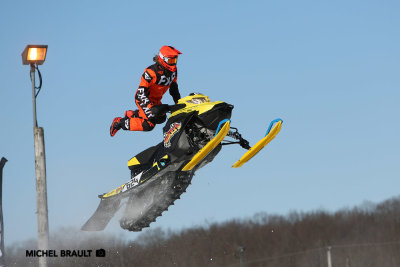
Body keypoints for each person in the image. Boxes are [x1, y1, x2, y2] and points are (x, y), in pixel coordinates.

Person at [110, 46, 182, 137]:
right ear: (162, 59)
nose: (173, 64)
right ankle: (119, 123)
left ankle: (132, 114)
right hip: (143, 98)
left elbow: (174, 89)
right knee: (149, 125)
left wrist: (179, 102)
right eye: (171, 61)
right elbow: (141, 92)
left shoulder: (174, 71)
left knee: (161, 118)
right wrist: (150, 107)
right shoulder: (151, 72)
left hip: (156, 100)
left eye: (175, 60)